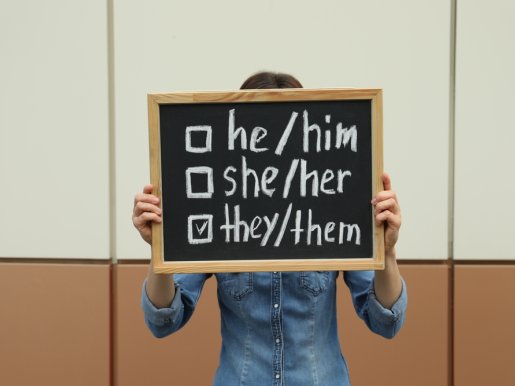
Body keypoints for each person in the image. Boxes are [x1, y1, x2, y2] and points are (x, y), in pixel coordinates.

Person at [133, 71, 407, 386]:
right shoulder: (219, 211)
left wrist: (387, 252)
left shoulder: (332, 207)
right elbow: (163, 320)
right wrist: (161, 247)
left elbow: (386, 320)